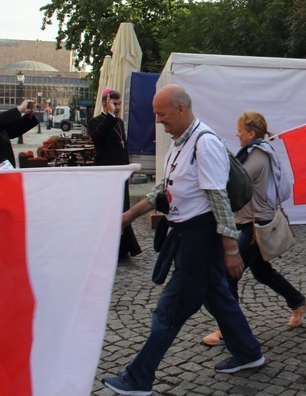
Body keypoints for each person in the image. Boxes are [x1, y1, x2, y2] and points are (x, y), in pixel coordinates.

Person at [102, 84, 263, 395]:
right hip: (187, 237)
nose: (159, 121)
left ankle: (138, 378)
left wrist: (231, 249)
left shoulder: (205, 144)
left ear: (181, 110)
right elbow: (164, 187)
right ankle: (249, 352)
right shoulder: (180, 141)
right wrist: (129, 216)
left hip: (200, 241)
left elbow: (217, 199)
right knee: (218, 297)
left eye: (162, 115)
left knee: (168, 311)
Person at [201, 111, 306, 348]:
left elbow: (234, 181)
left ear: (251, 133)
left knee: (227, 272)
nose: (237, 134)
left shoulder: (258, 154)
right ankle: (298, 301)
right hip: (251, 221)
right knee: (261, 271)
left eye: (240, 130)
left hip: (255, 225)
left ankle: (229, 328)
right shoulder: (256, 151)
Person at [87, 89, 141, 259]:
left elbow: (123, 147)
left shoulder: (119, 122)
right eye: (114, 104)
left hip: (121, 174)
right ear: (106, 103)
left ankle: (122, 248)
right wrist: (110, 115)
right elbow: (98, 137)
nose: (117, 107)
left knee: (123, 208)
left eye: (119, 104)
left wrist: (127, 170)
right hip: (106, 174)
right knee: (109, 210)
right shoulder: (95, 121)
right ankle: (108, 248)